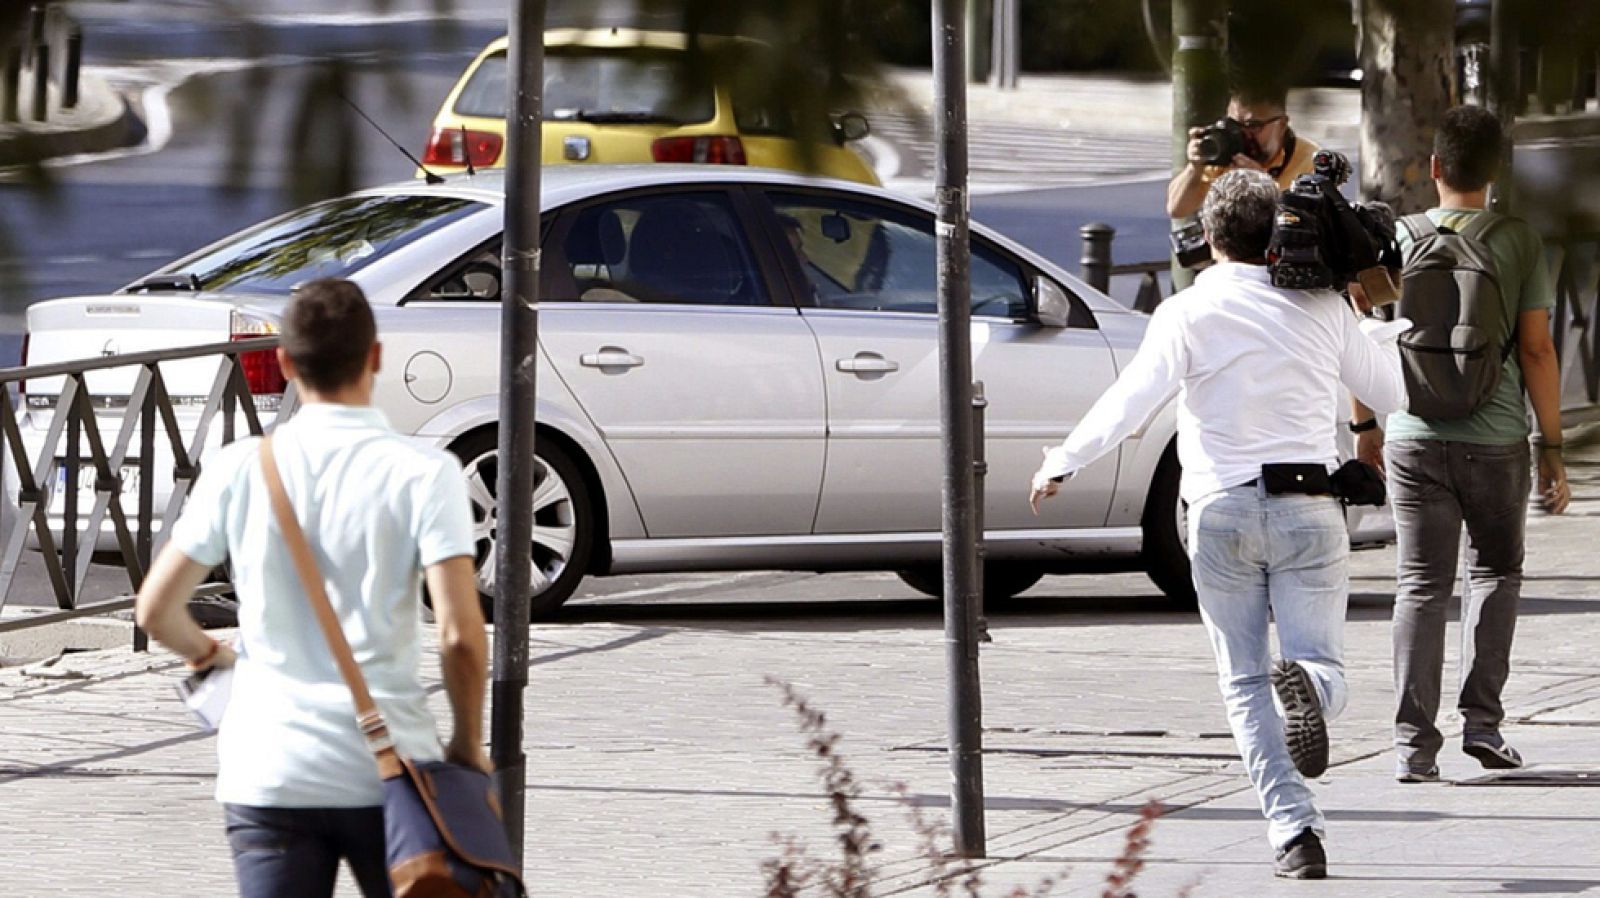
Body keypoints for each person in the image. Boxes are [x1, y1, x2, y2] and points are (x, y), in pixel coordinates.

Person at [1031, 169, 1406, 879]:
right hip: (1310, 507)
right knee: (1319, 662)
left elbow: (1131, 400)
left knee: (1242, 681)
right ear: (1278, 236)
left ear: (1207, 240)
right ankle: (1314, 693)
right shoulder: (1323, 306)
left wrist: (1063, 461)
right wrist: (1373, 317)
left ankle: (1294, 833)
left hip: (1220, 513)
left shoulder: (1187, 312)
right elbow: (1390, 392)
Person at [135, 278, 489, 898]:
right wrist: (465, 742)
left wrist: (209, 656)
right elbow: (459, 636)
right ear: (375, 356)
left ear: (285, 362)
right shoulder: (424, 473)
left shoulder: (241, 467)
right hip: (390, 772)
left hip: (267, 771)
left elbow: (156, 610)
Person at [1350, 105, 1569, 784]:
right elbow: (1535, 349)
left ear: (1435, 168)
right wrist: (1551, 447)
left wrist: (1367, 430)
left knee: (1419, 587)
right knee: (1496, 574)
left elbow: (1359, 339)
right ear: (1496, 172)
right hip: (1497, 438)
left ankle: (1413, 749)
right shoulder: (1520, 241)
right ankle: (1483, 723)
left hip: (1414, 437)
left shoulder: (1400, 239)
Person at [1166, 84, 1321, 220]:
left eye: (1253, 126)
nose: (1242, 134)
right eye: (1234, 124)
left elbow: (1312, 224)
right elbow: (1177, 209)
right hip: (1226, 250)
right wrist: (1195, 168)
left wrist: (1262, 186)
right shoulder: (1226, 150)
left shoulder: (1310, 160)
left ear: (1281, 125)